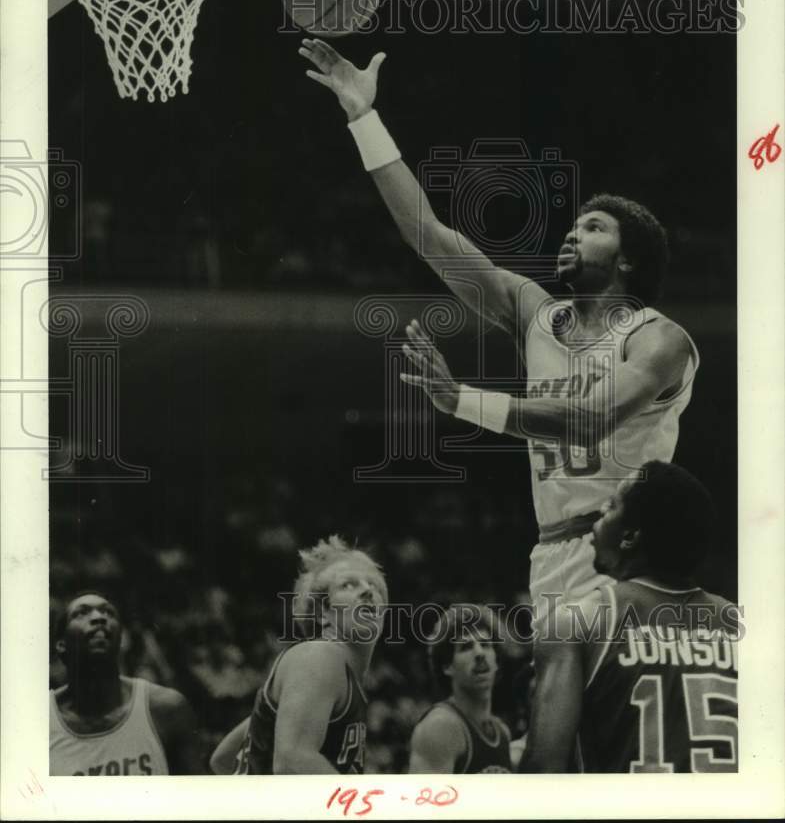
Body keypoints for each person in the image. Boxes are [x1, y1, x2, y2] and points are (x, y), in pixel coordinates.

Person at [299, 39, 699, 629]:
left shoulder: (660, 341)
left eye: (593, 228)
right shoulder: (535, 314)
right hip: (553, 551)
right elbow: (428, 235)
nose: (572, 235)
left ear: (629, 262)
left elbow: (588, 421)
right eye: (573, 225)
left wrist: (462, 399)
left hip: (632, 550)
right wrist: (364, 116)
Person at [522, 460, 739, 773]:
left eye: (609, 507)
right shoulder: (742, 626)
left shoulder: (577, 623)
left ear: (629, 537)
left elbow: (543, 768)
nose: (598, 516)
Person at [220, 535, 388, 774]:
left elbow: (222, 758)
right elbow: (291, 762)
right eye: (348, 585)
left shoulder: (332, 677)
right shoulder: (319, 657)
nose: (367, 592)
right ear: (321, 613)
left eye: (375, 586)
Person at [50, 589, 203, 775]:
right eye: (82, 613)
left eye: (108, 612)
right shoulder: (37, 722)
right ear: (61, 644)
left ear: (121, 640)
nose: (99, 617)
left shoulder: (166, 708)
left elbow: (195, 801)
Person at [409, 604, 513, 773]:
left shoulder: (502, 733)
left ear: (497, 661)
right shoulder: (440, 727)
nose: (479, 653)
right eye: (466, 647)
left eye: (485, 644)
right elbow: (424, 798)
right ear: (447, 666)